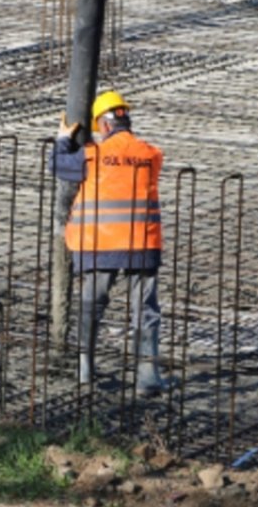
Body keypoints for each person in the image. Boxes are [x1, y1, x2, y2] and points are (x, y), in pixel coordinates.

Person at [53, 90, 171, 394]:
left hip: (99, 245)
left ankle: (85, 370)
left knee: (92, 304)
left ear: (103, 126)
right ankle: (147, 377)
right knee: (145, 309)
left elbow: (59, 165)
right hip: (143, 245)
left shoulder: (93, 155)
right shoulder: (150, 154)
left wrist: (64, 139)